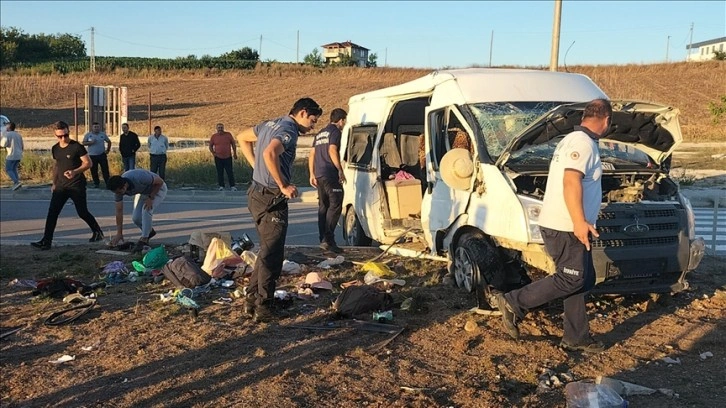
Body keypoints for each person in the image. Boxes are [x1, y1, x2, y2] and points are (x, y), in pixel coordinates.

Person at [496, 99, 612, 354]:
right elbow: (571, 182)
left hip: (567, 224)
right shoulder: (582, 144)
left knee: (582, 279)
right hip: (566, 226)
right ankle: (514, 302)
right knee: (572, 277)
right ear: (606, 121)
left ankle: (576, 337)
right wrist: (579, 222)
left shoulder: (574, 140)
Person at [237, 97, 322, 322]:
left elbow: (242, 138)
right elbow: (269, 154)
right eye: (313, 121)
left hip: (255, 193)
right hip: (271, 197)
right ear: (303, 113)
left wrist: (256, 167)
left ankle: (252, 299)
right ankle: (264, 305)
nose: (313, 126)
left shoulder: (270, 123)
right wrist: (283, 185)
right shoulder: (289, 130)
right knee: (272, 253)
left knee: (266, 250)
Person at [31, 121, 104, 250]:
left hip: (76, 186)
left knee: (82, 212)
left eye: (65, 135)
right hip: (61, 186)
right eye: (60, 136)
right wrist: (54, 183)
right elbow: (57, 166)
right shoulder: (55, 148)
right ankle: (46, 241)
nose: (63, 138)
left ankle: (97, 232)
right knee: (52, 213)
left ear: (68, 131)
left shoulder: (76, 147)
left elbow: (88, 163)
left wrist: (75, 172)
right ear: (55, 135)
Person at [308, 108, 347, 253]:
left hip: (319, 174)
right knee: (336, 203)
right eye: (344, 120)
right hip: (330, 173)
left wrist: (311, 173)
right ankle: (328, 239)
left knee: (323, 206)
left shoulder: (320, 133)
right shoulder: (335, 132)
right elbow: (332, 150)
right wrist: (339, 169)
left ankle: (322, 239)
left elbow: (311, 154)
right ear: (341, 120)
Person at [107, 169, 168, 253]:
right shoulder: (118, 191)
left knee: (146, 210)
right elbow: (119, 211)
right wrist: (119, 233)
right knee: (136, 218)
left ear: (124, 185)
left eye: (120, 192)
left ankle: (144, 239)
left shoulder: (139, 177)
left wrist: (151, 197)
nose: (119, 194)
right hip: (145, 192)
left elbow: (160, 182)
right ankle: (149, 232)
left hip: (158, 189)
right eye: (116, 192)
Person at [82, 122, 112, 188]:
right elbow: (83, 143)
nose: (96, 128)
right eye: (95, 127)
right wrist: (90, 142)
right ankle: (96, 183)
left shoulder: (102, 134)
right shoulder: (88, 135)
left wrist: (108, 150)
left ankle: (108, 183)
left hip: (101, 155)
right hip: (92, 155)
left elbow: (109, 141)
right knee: (94, 170)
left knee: (105, 169)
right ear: (92, 128)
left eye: (98, 127)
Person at [209, 123, 238, 191]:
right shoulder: (214, 136)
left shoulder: (228, 135)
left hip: (228, 157)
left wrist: (235, 153)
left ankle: (232, 186)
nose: (220, 129)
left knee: (230, 172)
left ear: (223, 128)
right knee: (220, 172)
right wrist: (213, 153)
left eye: (221, 127)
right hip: (218, 157)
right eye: (219, 128)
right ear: (216, 129)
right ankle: (221, 186)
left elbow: (233, 144)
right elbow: (210, 146)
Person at [1, 121, 24, 190]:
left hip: (11, 155)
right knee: (14, 169)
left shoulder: (7, 135)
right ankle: (17, 183)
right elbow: (22, 145)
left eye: (6, 126)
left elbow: (3, 144)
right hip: (19, 154)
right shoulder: (18, 135)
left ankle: (16, 182)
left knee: (8, 169)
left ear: (9, 127)